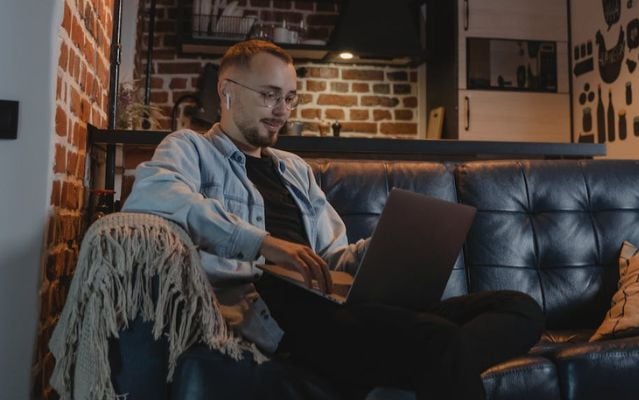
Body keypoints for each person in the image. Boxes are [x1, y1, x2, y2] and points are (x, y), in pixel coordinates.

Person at [123, 40, 544, 400]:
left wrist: (383, 251)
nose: (282, 110)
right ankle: (428, 359)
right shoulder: (191, 149)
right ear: (227, 92)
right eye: (270, 94)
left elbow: (331, 257)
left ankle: (425, 362)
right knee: (437, 340)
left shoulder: (294, 168)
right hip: (272, 308)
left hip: (330, 304)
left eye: (290, 97)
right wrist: (262, 243)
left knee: (520, 308)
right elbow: (152, 196)